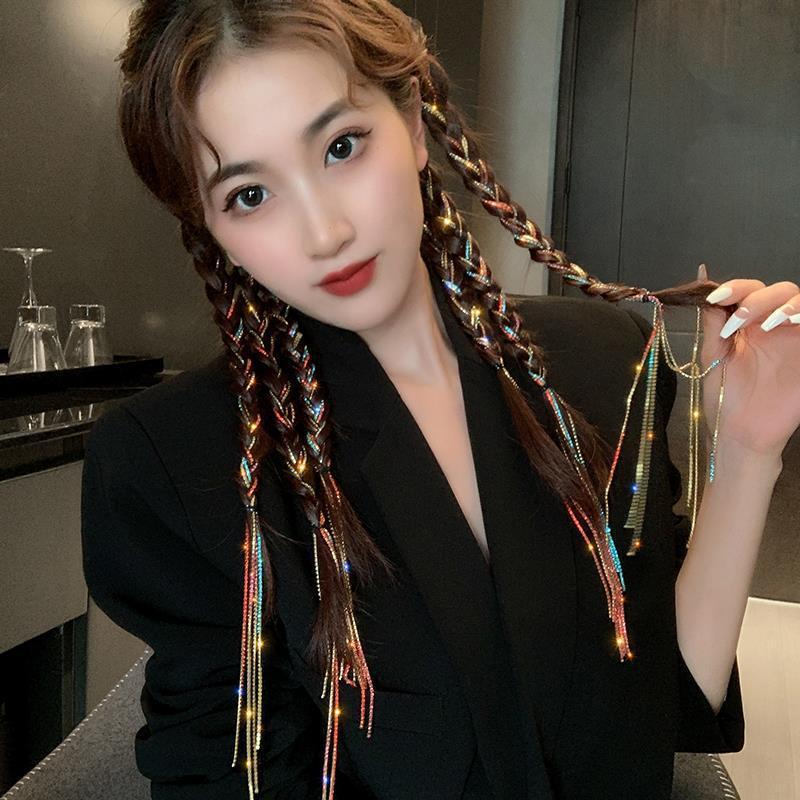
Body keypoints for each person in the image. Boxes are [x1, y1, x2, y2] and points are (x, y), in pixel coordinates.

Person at [80, 1, 800, 798]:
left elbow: (669, 707)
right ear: (212, 229)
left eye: (342, 146)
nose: (324, 232)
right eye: (250, 195)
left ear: (415, 126)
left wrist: (749, 451)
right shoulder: (176, 464)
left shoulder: (604, 359)